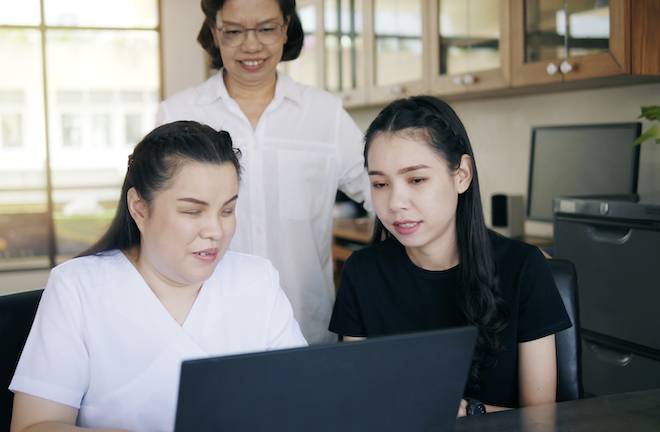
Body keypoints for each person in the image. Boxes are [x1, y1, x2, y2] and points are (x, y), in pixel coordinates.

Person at [10, 121, 306, 432]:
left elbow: (305, 400)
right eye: (192, 212)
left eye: (227, 211)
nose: (215, 231)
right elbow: (35, 425)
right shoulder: (77, 288)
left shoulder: (257, 281)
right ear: (139, 207)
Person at [328, 96, 571, 416]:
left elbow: (541, 419)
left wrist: (467, 410)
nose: (395, 202)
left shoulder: (523, 268)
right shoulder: (363, 271)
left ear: (462, 175)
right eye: (380, 183)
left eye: (416, 179)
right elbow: (356, 401)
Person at [156, 0, 371, 344]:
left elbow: (382, 192)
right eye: (235, 31)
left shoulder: (325, 114)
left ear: (286, 27)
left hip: (306, 329)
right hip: (205, 331)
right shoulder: (178, 112)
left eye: (267, 28)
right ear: (215, 31)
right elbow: (152, 224)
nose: (251, 45)